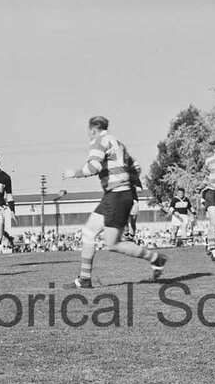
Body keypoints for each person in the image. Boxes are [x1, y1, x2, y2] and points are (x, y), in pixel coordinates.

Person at [60, 115, 166, 288]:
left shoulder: (99, 141)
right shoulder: (118, 143)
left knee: (113, 243)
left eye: (89, 132)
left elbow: (94, 167)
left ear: (93, 129)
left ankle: (156, 258)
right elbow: (136, 167)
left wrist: (74, 173)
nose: (89, 135)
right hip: (117, 195)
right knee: (88, 232)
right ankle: (84, 279)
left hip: (117, 196)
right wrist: (128, 182)